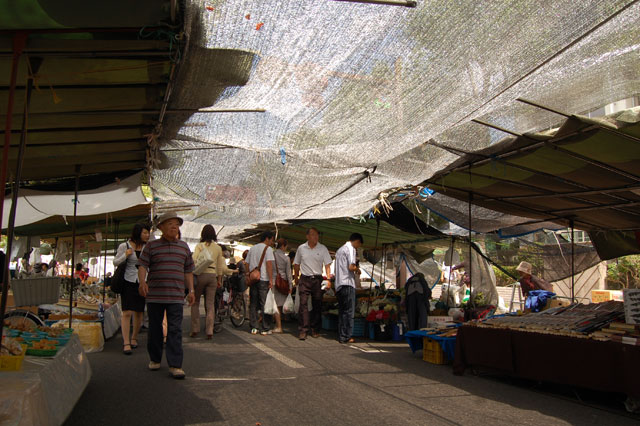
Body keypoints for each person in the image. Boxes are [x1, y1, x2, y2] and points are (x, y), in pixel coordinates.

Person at [137, 212, 195, 379]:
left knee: (175, 330)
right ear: (161, 227)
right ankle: (155, 358)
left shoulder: (184, 247)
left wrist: (191, 290)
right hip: (155, 295)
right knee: (155, 329)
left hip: (176, 296)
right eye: (169, 223)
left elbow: (188, 270)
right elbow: (142, 266)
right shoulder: (151, 246)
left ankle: (175, 365)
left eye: (176, 223)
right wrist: (142, 282)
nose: (174, 226)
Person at [114, 223, 151, 355]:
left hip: (142, 282)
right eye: (145, 232)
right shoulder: (124, 246)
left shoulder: (147, 247)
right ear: (138, 233)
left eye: (148, 233)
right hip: (127, 281)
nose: (147, 235)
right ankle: (126, 342)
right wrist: (125, 255)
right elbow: (115, 262)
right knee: (127, 312)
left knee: (139, 312)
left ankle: (134, 337)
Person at [293, 227, 333, 340]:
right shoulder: (301, 248)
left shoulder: (323, 248)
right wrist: (296, 277)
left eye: (317, 235)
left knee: (317, 304)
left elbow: (327, 265)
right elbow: (296, 264)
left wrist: (328, 279)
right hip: (304, 278)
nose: (316, 237)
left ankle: (315, 329)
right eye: (313, 234)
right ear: (307, 236)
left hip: (317, 279)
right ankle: (303, 330)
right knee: (303, 304)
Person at [190, 225, 226, 340]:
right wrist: (219, 280)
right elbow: (220, 267)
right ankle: (209, 331)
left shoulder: (199, 246)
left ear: (203, 234)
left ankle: (195, 329)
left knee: (195, 302)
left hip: (200, 275)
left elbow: (194, 259)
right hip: (212, 276)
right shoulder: (218, 248)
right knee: (210, 304)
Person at [334, 233, 363, 344]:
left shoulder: (339, 250)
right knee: (349, 312)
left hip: (339, 284)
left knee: (342, 311)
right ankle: (347, 336)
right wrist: (357, 269)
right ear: (357, 241)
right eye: (359, 245)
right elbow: (351, 266)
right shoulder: (351, 249)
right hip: (347, 283)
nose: (358, 247)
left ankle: (342, 335)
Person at [246, 231, 275, 335]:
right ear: (267, 238)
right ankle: (265, 328)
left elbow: (247, 263)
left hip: (253, 279)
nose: (272, 242)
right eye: (272, 240)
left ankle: (254, 327)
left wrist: (248, 274)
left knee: (253, 303)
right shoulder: (268, 249)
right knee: (264, 304)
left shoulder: (252, 248)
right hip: (263, 279)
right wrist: (271, 279)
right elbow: (269, 265)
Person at [272, 238, 294, 333]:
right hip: (283, 283)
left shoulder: (272, 255)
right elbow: (289, 274)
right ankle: (279, 325)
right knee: (279, 305)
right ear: (283, 246)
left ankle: (278, 325)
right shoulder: (286, 258)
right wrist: (290, 286)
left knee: (275, 304)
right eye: (286, 246)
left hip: (273, 282)